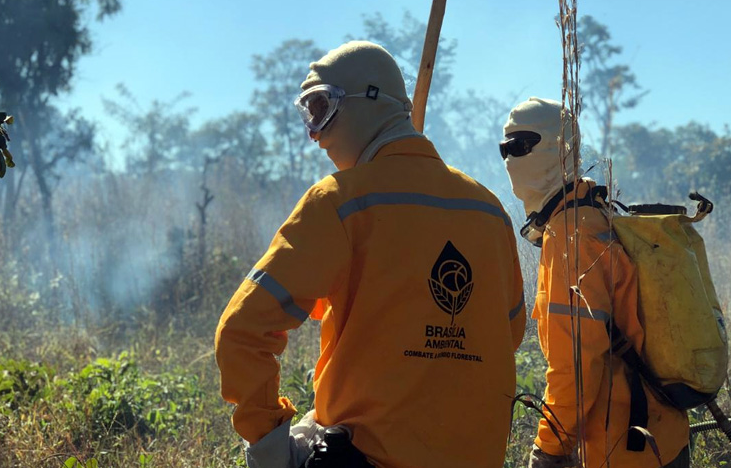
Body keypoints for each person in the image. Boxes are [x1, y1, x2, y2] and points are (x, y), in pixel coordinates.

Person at [216, 41, 526, 468]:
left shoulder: (338, 202)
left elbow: (241, 330)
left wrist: (268, 446)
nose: (314, 133)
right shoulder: (490, 211)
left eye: (321, 108)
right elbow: (506, 336)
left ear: (369, 102)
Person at [500, 97, 690, 468]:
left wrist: (550, 449)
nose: (510, 158)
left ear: (561, 147)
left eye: (522, 145)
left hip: (628, 448)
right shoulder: (591, 214)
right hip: (659, 436)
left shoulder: (572, 235)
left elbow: (577, 366)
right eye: (505, 148)